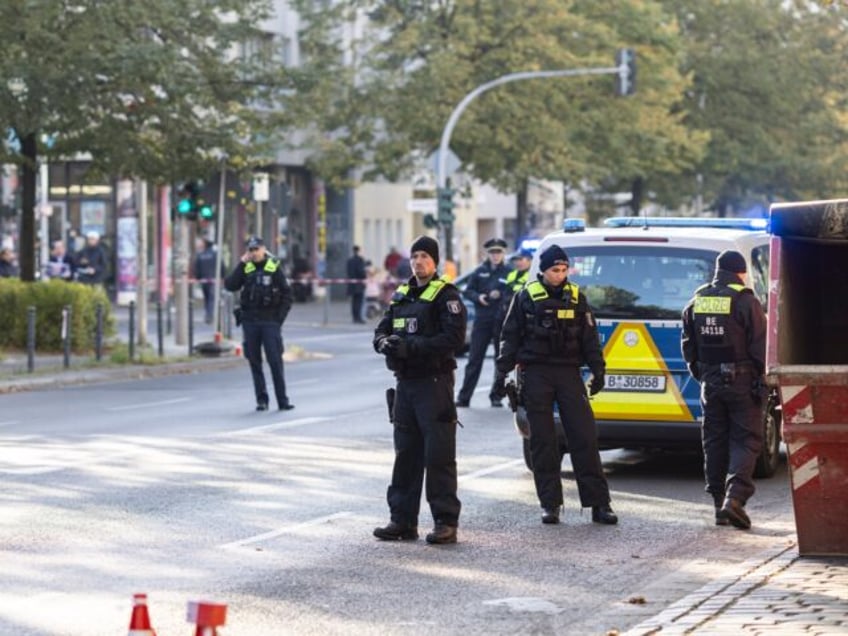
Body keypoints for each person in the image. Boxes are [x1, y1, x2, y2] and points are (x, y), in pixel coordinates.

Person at [496, 244, 618, 526]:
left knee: (584, 437)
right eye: (555, 270)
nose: (560, 275)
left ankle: (600, 504)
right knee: (543, 442)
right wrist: (502, 374)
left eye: (564, 270)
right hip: (536, 374)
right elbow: (510, 337)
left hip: (568, 374)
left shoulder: (576, 298)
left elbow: (589, 339)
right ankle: (550, 504)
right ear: (543, 270)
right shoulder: (525, 297)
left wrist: (598, 371)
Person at [372, 235, 467, 545]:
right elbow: (381, 330)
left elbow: (453, 339)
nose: (418, 262)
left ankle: (445, 522)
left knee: (438, 454)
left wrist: (410, 347)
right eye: (414, 257)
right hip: (405, 385)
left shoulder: (445, 295)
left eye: (425, 256)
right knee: (406, 454)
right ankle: (402, 520)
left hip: (434, 383)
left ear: (435, 261)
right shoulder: (402, 295)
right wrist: (384, 343)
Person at [681, 250, 766, 530]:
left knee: (714, 441)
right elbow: (760, 346)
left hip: (710, 381)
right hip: (742, 379)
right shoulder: (745, 301)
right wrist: (762, 379)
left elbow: (688, 345)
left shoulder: (698, 299)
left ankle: (719, 506)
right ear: (740, 272)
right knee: (746, 440)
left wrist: (703, 374)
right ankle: (735, 499)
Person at [224, 236, 295, 412]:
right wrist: (240, 264)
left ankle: (282, 400)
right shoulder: (246, 268)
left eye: (256, 249)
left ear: (263, 249)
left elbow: (287, 295)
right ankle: (261, 400)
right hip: (250, 322)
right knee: (254, 361)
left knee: (275, 361)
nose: (254, 253)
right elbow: (230, 285)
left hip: (270, 322)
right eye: (251, 250)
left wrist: (279, 320)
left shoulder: (274, 267)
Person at [456, 237, 512, 407]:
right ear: (487, 254)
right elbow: (468, 291)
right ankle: (464, 397)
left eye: (499, 252)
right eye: (492, 252)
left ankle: (496, 396)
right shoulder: (479, 271)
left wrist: (501, 296)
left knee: (500, 360)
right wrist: (478, 297)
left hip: (501, 320)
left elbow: (515, 293)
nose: (495, 255)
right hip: (483, 319)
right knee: (474, 359)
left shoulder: (509, 272)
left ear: (504, 253)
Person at [491, 247, 534, 399]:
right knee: (502, 356)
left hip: (521, 322)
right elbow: (506, 293)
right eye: (516, 260)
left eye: (521, 259)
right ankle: (500, 390)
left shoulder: (532, 276)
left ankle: (518, 392)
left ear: (530, 260)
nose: (518, 263)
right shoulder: (512, 275)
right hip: (504, 319)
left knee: (519, 359)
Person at [195, 238, 223, 324]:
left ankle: (208, 314)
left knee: (207, 298)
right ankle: (209, 315)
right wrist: (222, 276)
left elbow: (197, 268)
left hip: (204, 281)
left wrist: (199, 278)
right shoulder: (215, 254)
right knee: (212, 298)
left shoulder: (200, 255)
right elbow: (221, 265)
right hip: (214, 280)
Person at [346, 245, 367, 324]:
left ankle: (354, 317)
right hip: (359, 283)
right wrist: (364, 277)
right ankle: (358, 318)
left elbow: (348, 272)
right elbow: (361, 271)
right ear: (359, 251)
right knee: (359, 301)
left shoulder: (349, 260)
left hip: (351, 283)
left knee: (354, 302)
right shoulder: (360, 260)